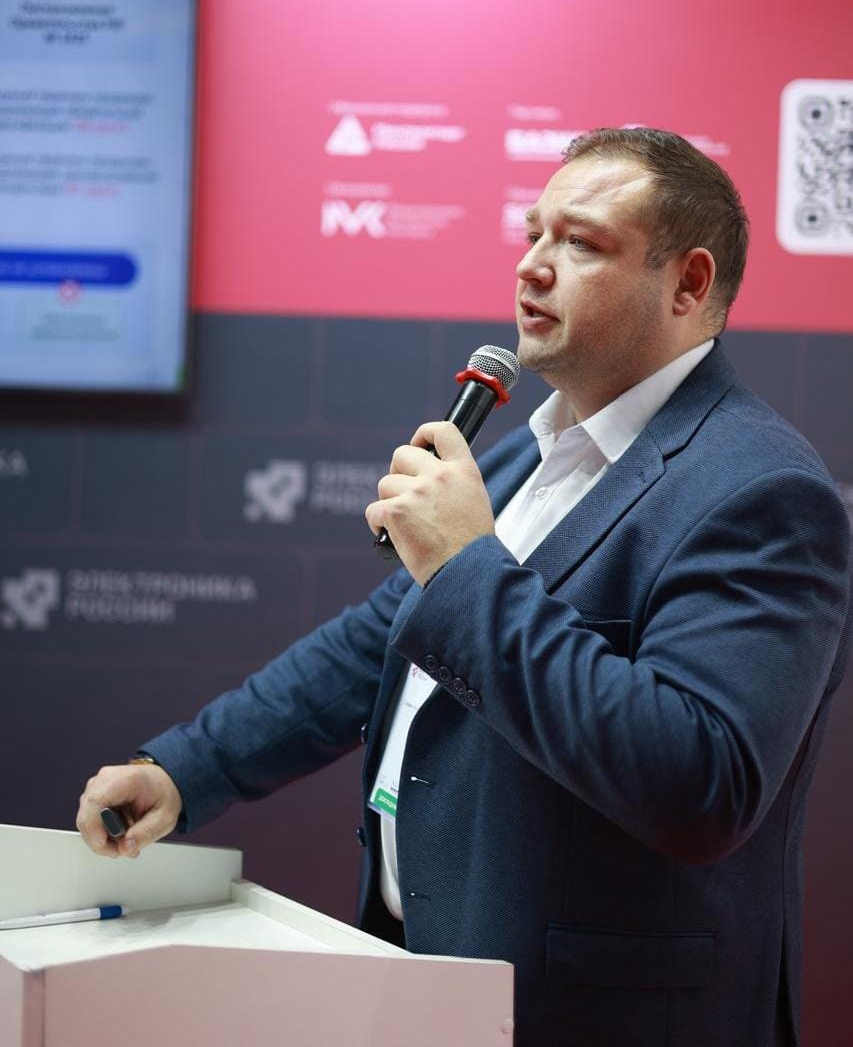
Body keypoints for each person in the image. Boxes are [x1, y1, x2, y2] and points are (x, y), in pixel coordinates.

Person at [77, 128, 851, 1047]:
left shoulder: (760, 490)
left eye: (580, 242)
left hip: (600, 1017)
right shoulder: (533, 450)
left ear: (687, 284)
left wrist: (464, 564)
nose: (532, 266)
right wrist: (187, 768)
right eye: (533, 233)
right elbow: (378, 642)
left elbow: (698, 781)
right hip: (434, 979)